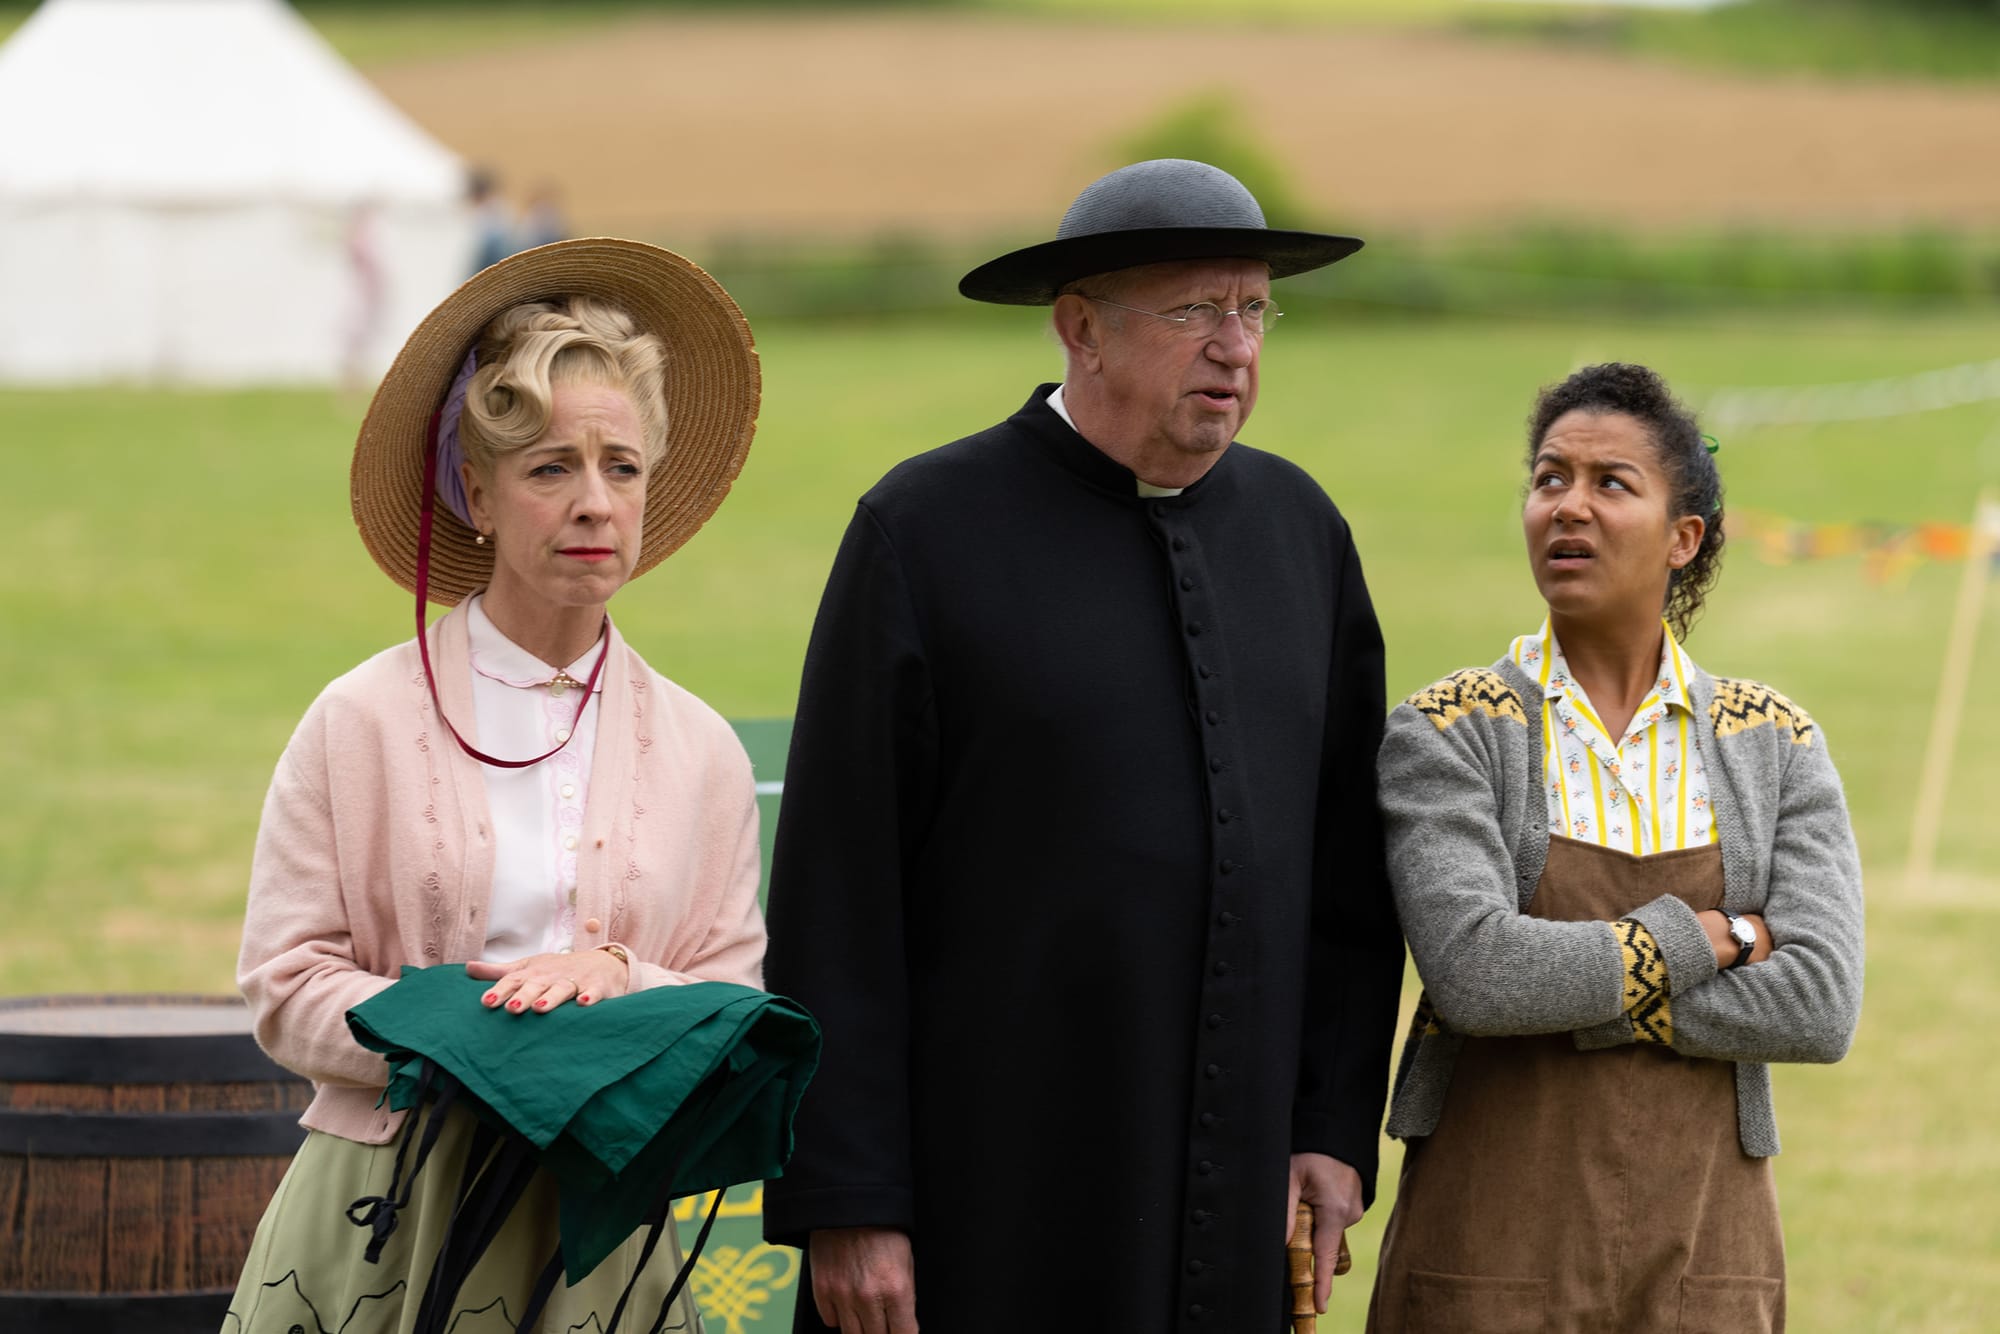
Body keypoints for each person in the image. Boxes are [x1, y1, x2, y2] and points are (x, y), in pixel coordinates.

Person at [761, 159, 1407, 1334]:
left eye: (1253, 308)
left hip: (1234, 1195)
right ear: (1079, 328)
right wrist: (847, 1198)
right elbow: (835, 893)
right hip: (982, 1196)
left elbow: (1347, 879)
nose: (1234, 347)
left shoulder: (1299, 531)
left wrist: (1326, 1122)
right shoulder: (922, 530)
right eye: (1192, 311)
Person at [224, 238, 766, 1334]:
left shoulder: (701, 748)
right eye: (550, 467)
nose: (594, 503)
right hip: (384, 1213)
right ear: (476, 490)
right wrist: (463, 1037)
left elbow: (730, 998)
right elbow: (283, 983)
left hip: (600, 1232)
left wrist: (614, 976)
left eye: (621, 467)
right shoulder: (360, 720)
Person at [1367, 363, 1865, 1333]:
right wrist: (1717, 938)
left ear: (1684, 537)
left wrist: (1571, 988)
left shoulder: (1774, 741)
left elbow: (1817, 1003)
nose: (1568, 506)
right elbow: (1477, 975)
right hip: (1486, 1258)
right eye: (1548, 478)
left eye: (1611, 483)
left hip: (1705, 1260)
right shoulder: (1447, 730)